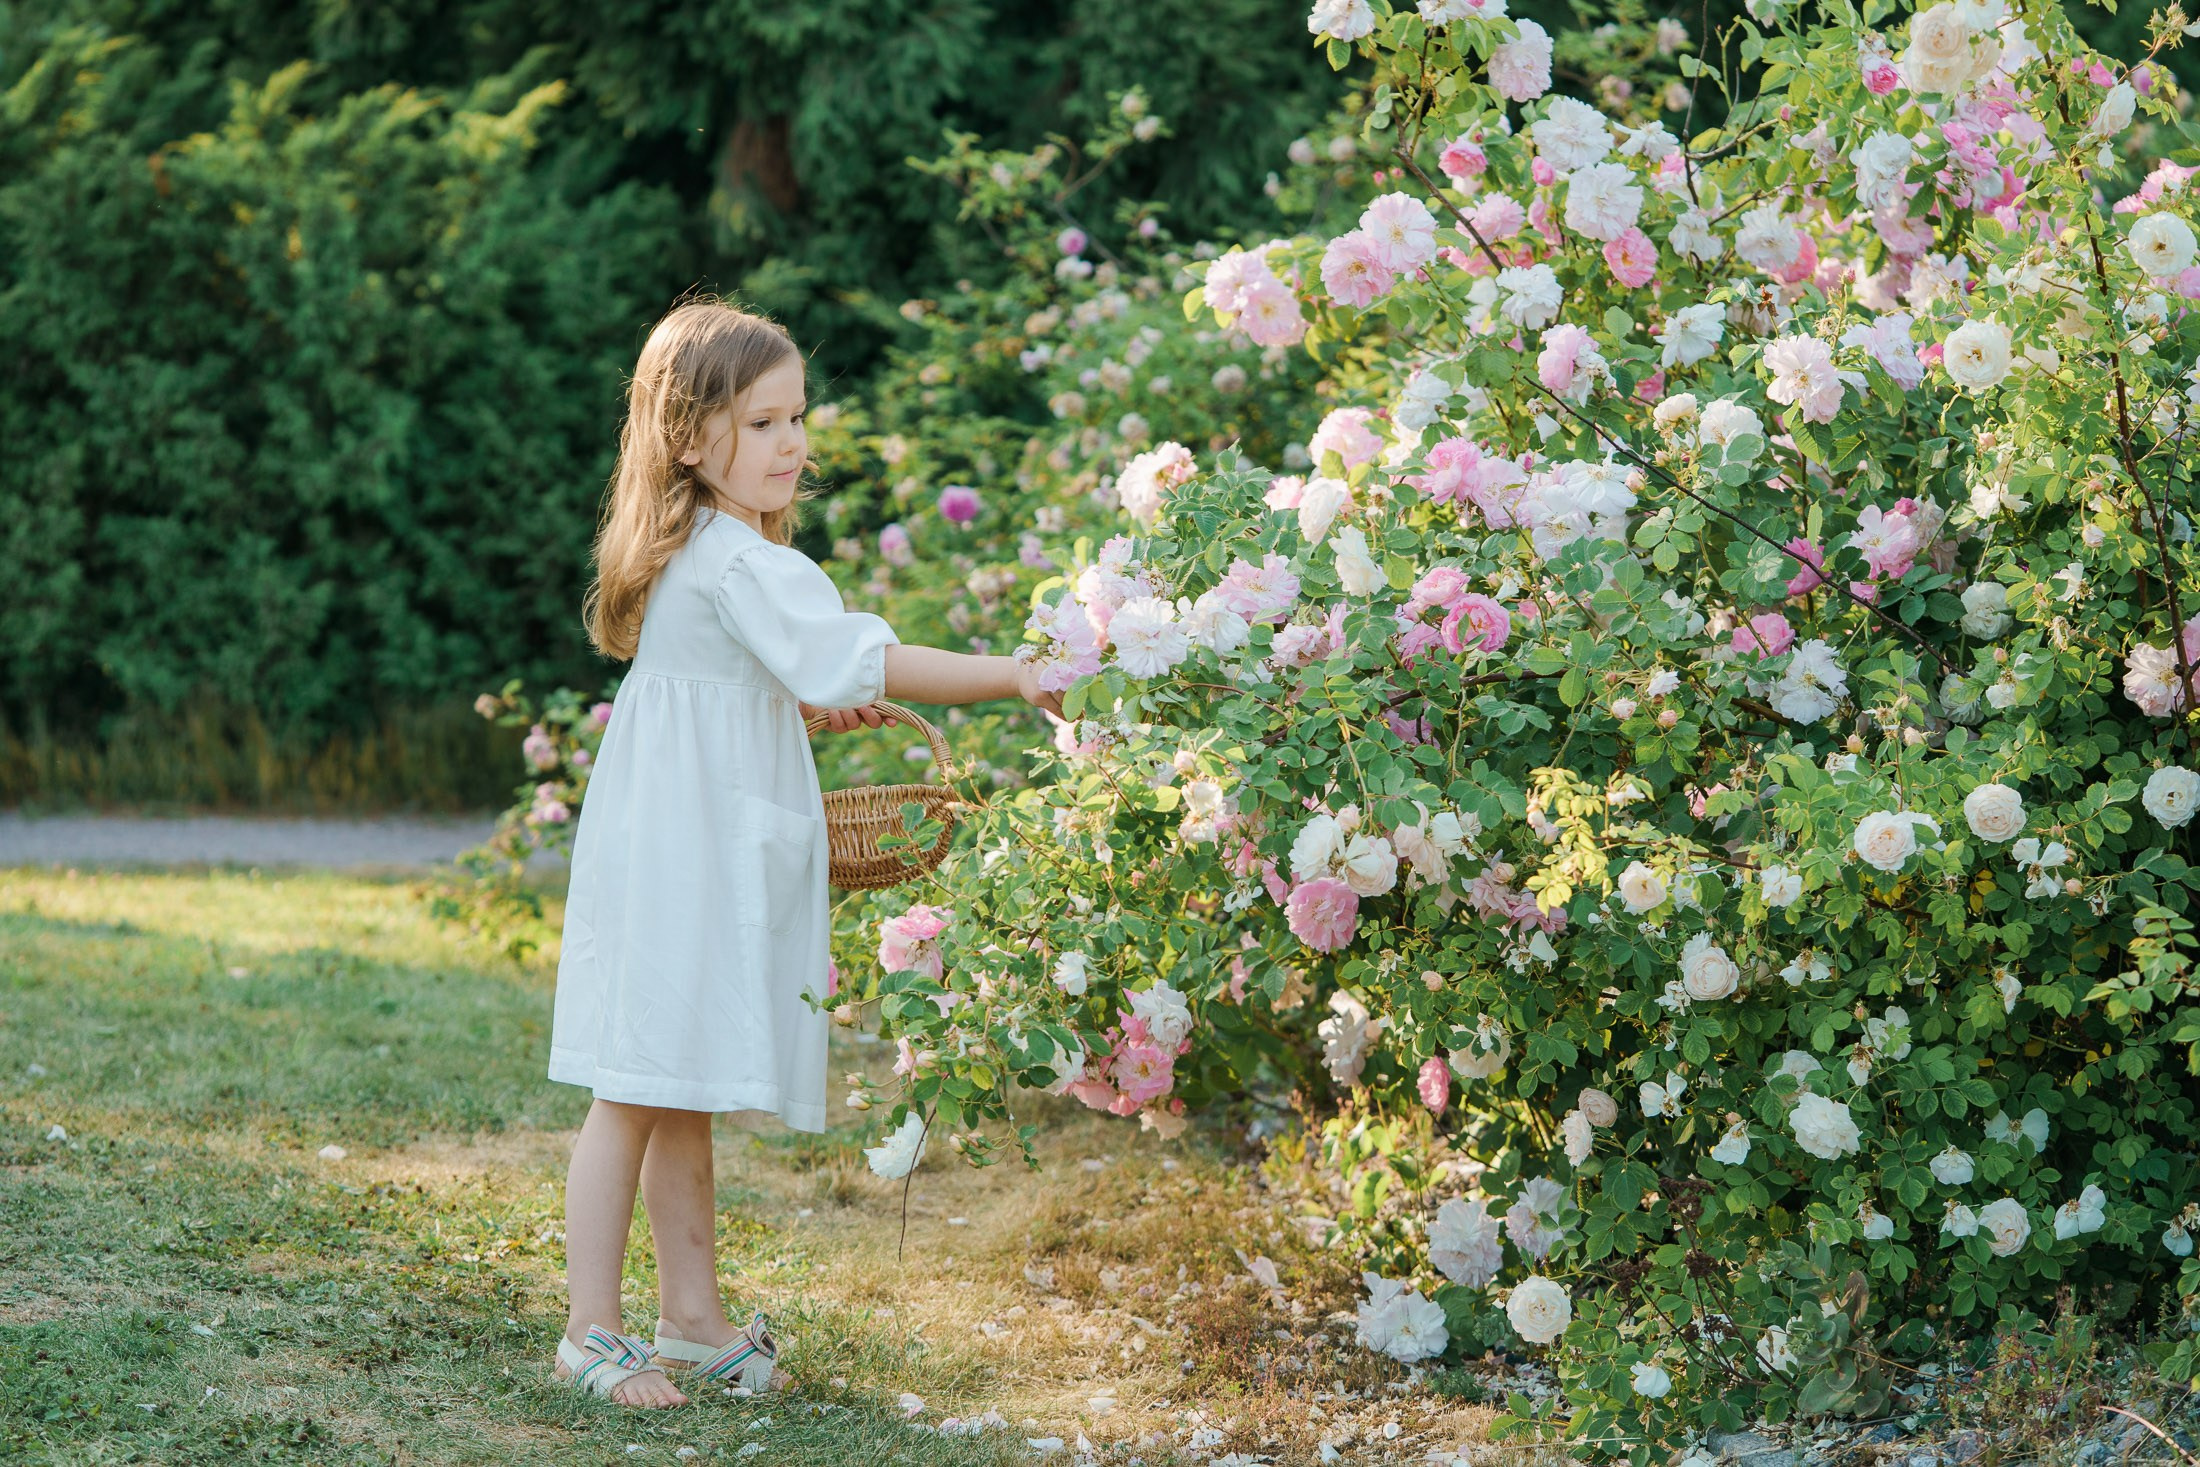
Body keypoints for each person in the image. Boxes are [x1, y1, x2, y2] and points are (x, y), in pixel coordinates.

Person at [546, 297, 1059, 1406]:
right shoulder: (739, 562)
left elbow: (753, 681)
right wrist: (1017, 676)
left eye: (797, 420)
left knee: (672, 1086)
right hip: (684, 846)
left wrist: (803, 703)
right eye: (765, 423)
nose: (793, 444)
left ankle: (691, 1318)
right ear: (691, 437)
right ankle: (590, 1329)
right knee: (632, 1087)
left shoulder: (707, 548)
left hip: (674, 831)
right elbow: (864, 659)